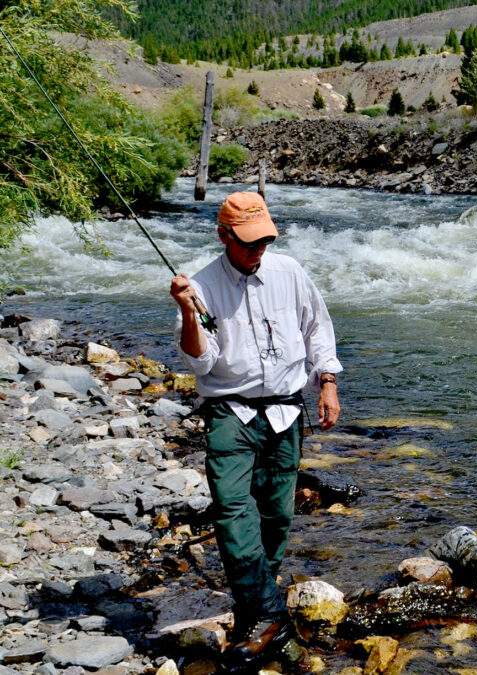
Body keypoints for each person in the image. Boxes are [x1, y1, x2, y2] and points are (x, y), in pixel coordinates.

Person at [170, 191, 342, 664]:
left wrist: (327, 383)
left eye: (264, 240)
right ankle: (270, 612)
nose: (257, 250)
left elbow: (318, 330)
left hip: (287, 411)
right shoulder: (200, 285)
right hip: (230, 410)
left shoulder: (290, 272)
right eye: (248, 242)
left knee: (276, 516)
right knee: (230, 511)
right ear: (224, 235)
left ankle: (255, 620)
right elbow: (200, 361)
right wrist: (188, 311)